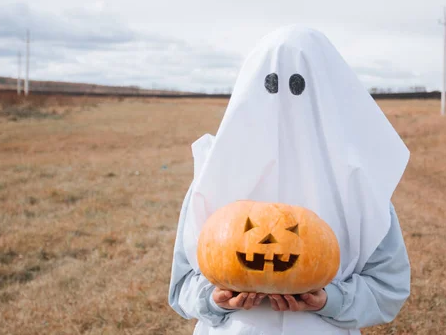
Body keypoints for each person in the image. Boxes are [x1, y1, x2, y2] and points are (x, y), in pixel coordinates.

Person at [169, 25, 411, 335]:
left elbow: (388, 287)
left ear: (328, 90)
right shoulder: (212, 174)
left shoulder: (361, 184)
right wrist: (214, 299)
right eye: (270, 84)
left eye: (299, 85)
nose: (284, 102)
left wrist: (329, 300)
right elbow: (182, 284)